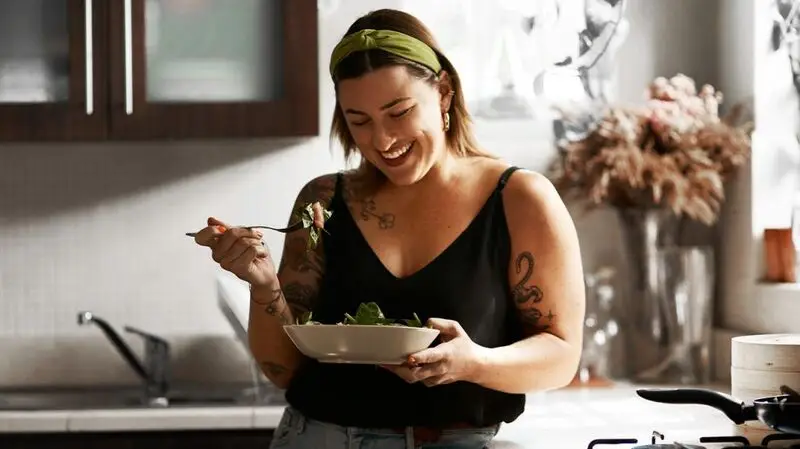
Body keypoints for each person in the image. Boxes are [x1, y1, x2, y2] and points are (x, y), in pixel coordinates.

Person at [193, 8, 585, 449]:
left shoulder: (520, 199)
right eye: (359, 121)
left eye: (398, 112)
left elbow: (560, 357)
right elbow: (283, 370)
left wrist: (471, 363)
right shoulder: (323, 202)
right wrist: (263, 285)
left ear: (444, 92)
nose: (382, 141)